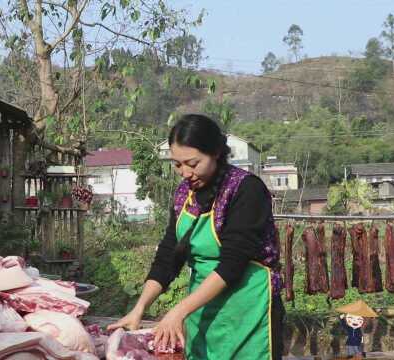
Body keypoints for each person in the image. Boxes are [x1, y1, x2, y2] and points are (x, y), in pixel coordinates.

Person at [108, 114, 284, 360]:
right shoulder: (184, 194)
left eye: (193, 163)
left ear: (215, 153)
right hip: (203, 307)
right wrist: (139, 308)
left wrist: (179, 311)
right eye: (177, 164)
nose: (185, 173)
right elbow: (169, 255)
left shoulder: (246, 189)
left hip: (249, 310)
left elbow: (233, 264)